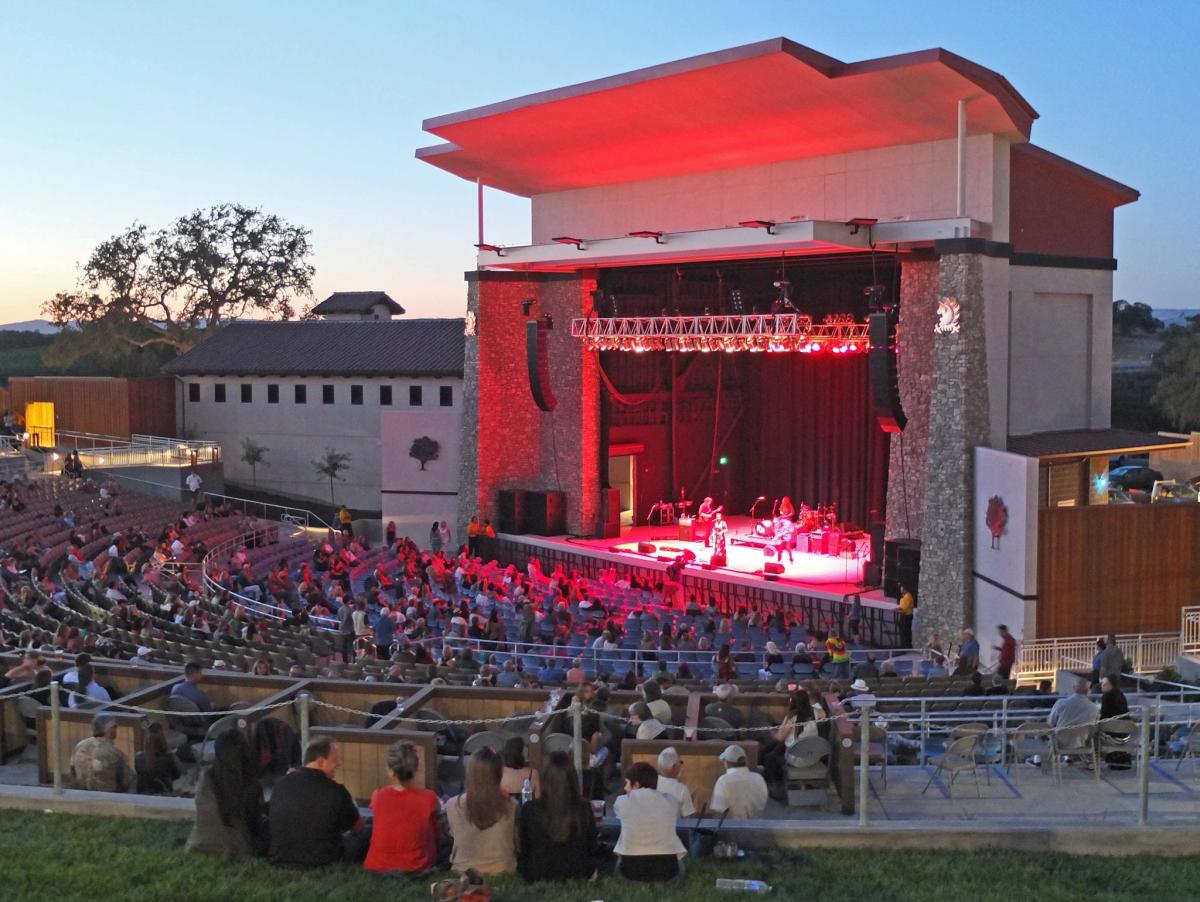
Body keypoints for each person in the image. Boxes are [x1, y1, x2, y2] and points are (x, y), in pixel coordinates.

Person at [269, 736, 366, 867]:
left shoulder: (280, 784)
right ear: (320, 762)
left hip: (281, 857)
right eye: (335, 760)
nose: (339, 764)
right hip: (324, 859)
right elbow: (357, 826)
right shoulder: (336, 791)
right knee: (369, 831)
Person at [517, 751, 598, 882]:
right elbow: (591, 847)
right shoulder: (583, 808)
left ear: (545, 778)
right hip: (578, 873)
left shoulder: (530, 810)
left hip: (537, 874)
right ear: (572, 778)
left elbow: (524, 849)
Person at [188, 729, 267, 859]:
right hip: (239, 849)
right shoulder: (250, 787)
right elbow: (254, 825)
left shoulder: (206, 781)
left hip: (200, 844)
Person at [364, 741, 441, 875]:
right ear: (416, 769)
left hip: (377, 865)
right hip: (416, 865)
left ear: (390, 771)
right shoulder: (429, 798)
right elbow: (436, 833)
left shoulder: (377, 796)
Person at [445, 747, 519, 875]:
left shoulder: (452, 805)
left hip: (463, 868)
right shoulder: (512, 805)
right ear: (499, 773)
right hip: (503, 868)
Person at [613, 761, 687, 882]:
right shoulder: (672, 801)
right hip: (668, 871)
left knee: (618, 863)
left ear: (636, 784)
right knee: (681, 866)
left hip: (630, 871)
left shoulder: (621, 801)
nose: (625, 788)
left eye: (627, 783)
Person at [70, 714, 132, 793]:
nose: (116, 729)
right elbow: (128, 780)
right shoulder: (115, 753)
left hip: (81, 793)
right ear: (108, 730)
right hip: (107, 797)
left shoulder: (79, 745)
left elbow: (72, 770)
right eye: (114, 727)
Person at [710, 744, 768, 819]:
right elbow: (764, 803)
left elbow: (718, 811)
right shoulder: (758, 778)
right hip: (757, 827)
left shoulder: (723, 781)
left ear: (726, 762)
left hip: (731, 829)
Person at [137, 721, 182, 794]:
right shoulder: (168, 758)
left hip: (144, 794)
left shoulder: (138, 757)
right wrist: (169, 752)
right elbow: (178, 774)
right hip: (164, 793)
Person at [654, 746, 696, 817]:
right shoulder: (682, 789)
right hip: (673, 827)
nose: (681, 766)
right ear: (673, 767)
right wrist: (692, 798)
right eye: (680, 762)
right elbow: (689, 818)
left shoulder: (650, 783)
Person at [897, 585, 915, 649]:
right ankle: (905, 646)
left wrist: (898, 610)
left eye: (901, 589)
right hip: (906, 616)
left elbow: (905, 609)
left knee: (904, 632)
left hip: (906, 617)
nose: (900, 590)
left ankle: (905, 646)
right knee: (906, 632)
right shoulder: (906, 596)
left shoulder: (907, 597)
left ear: (905, 590)